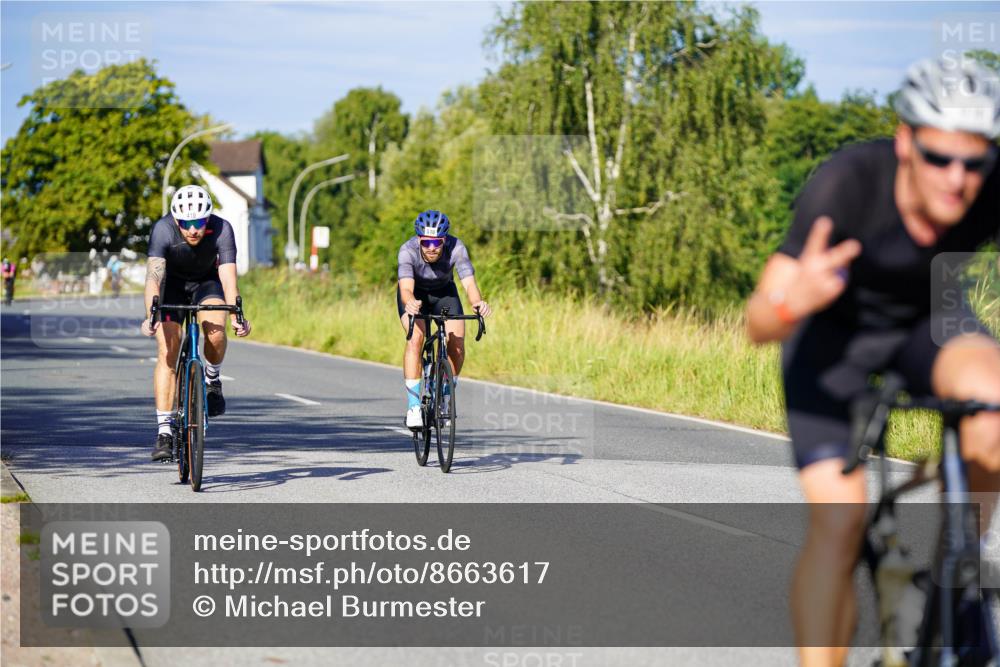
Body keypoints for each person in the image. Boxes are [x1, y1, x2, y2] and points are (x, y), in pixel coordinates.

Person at [745, 57, 1000, 666]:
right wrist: (792, 301)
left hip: (931, 321)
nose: (957, 179)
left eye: (974, 163)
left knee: (993, 405)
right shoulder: (849, 183)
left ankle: (959, 572)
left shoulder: (987, 187)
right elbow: (757, 323)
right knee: (840, 523)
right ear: (905, 142)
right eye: (939, 158)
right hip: (832, 338)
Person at [140, 185, 252, 462]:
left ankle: (212, 379)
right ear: (176, 219)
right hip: (172, 287)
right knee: (168, 351)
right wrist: (151, 315)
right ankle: (164, 432)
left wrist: (237, 315)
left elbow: (228, 279)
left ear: (208, 218)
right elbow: (154, 277)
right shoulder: (163, 229)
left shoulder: (223, 229)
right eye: (186, 223)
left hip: (206, 283)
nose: (193, 230)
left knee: (216, 333)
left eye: (199, 223)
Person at [397, 209, 492, 428]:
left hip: (444, 293)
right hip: (415, 295)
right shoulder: (407, 251)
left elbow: (469, 283)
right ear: (419, 239)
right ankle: (413, 407)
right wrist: (410, 302)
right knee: (415, 339)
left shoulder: (456, 247)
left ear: (444, 240)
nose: (431, 248)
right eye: (426, 243)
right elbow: (406, 289)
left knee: (457, 343)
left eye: (437, 243)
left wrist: (477, 303)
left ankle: (446, 396)